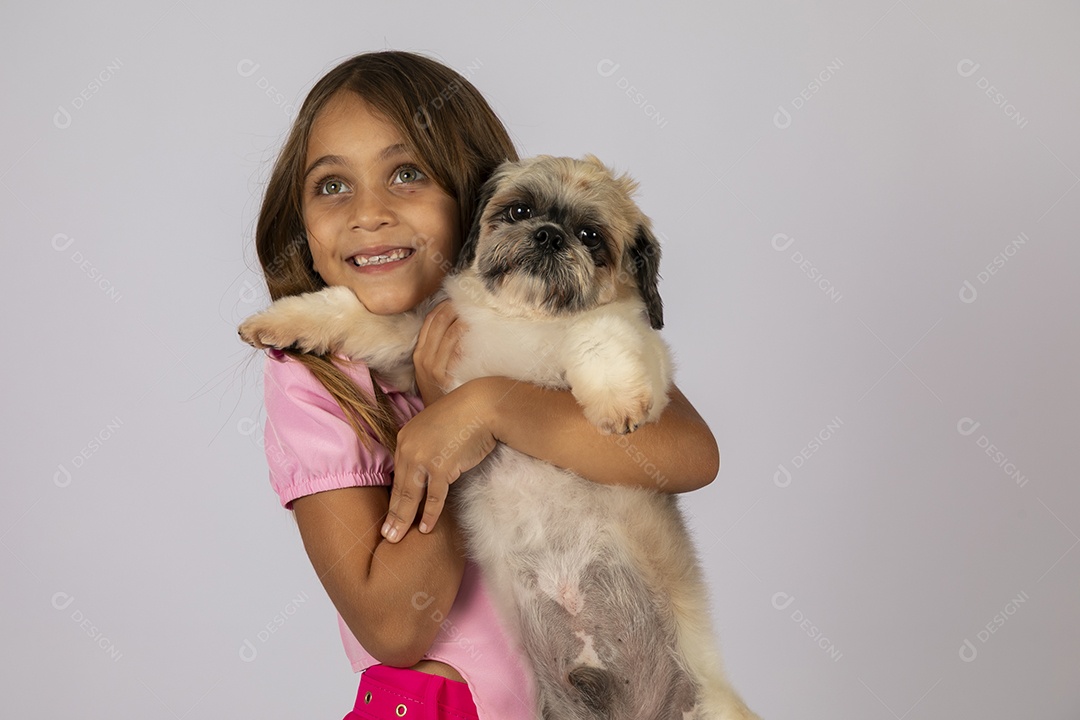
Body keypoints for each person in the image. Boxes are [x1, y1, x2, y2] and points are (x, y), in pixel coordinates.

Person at [251, 50, 720, 720]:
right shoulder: (312, 384)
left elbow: (691, 457)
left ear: (470, 203)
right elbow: (397, 628)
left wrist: (488, 404)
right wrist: (441, 415)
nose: (370, 213)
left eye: (406, 174)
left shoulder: (566, 330)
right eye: (332, 185)